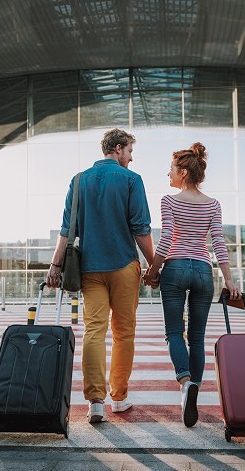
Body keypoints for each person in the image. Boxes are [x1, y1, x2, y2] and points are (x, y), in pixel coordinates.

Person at [46, 128, 155, 424]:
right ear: (118, 149)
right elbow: (141, 228)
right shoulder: (132, 180)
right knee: (123, 334)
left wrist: (55, 266)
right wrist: (154, 264)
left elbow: (67, 229)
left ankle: (96, 401)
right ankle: (118, 397)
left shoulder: (79, 180)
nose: (131, 158)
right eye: (130, 151)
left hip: (89, 270)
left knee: (94, 331)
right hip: (123, 268)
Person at [143, 142, 240, 427]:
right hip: (202, 270)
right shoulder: (213, 204)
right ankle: (193, 387)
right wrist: (229, 279)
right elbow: (218, 242)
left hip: (174, 269)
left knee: (175, 332)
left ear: (183, 172)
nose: (168, 175)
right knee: (197, 337)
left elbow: (167, 237)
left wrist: (153, 270)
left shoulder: (169, 201)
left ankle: (185, 383)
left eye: (171, 170)